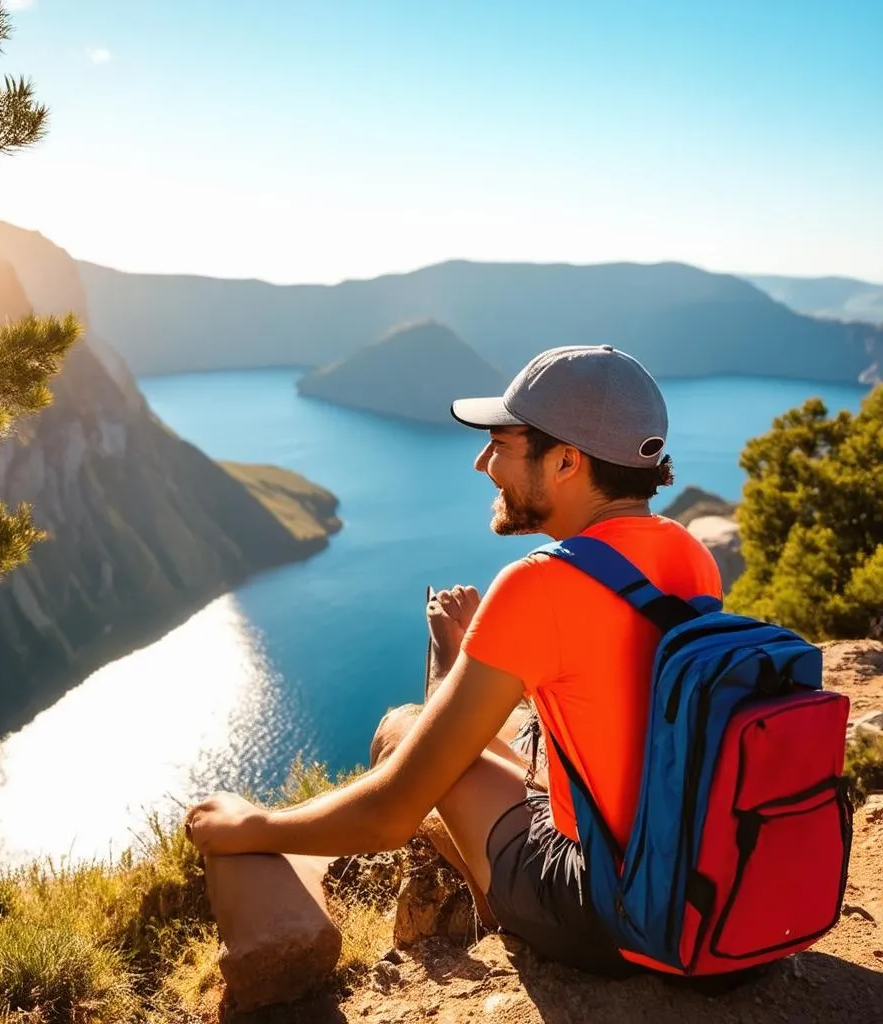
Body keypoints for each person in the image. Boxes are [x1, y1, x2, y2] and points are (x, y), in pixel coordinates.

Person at [184, 343, 721, 976]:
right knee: (466, 737)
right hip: (690, 880)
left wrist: (254, 828)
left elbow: (390, 815)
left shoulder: (540, 584)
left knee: (403, 729)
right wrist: (462, 649)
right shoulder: (690, 557)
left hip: (606, 913)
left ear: (567, 461)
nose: (481, 461)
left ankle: (502, 918)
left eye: (502, 443)